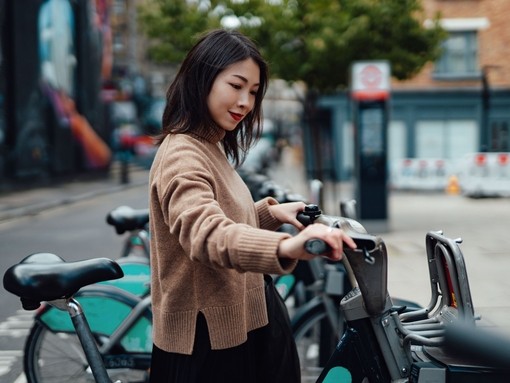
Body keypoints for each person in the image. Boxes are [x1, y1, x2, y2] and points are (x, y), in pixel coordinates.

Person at [148, 28, 357, 383]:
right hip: (207, 346)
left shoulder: (208, 144)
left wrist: (273, 214)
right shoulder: (182, 154)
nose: (245, 101)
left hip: (241, 325)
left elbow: (224, 215)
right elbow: (208, 235)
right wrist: (288, 245)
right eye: (236, 85)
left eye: (254, 92)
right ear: (202, 79)